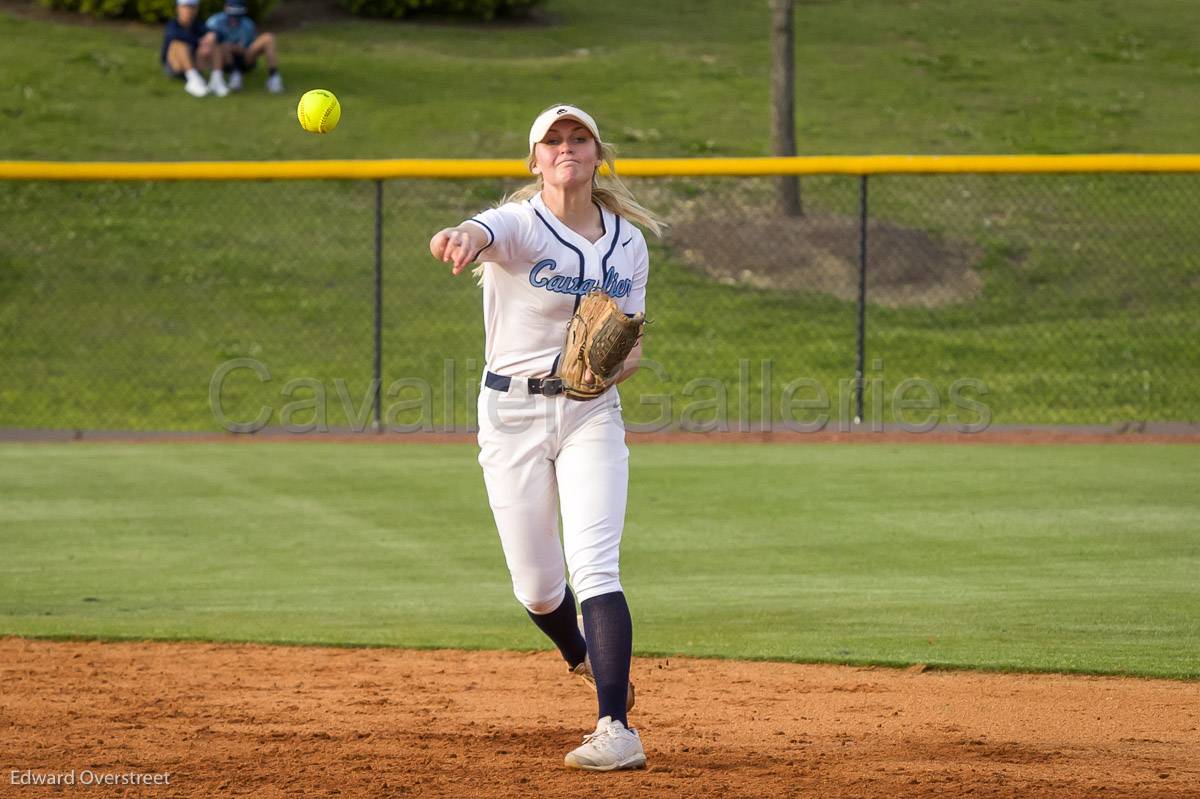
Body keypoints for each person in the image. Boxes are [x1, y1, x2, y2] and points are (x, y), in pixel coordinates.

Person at [428, 104, 664, 772]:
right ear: (535, 161)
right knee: (537, 586)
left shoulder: (628, 244)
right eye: (552, 140)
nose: (566, 147)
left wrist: (613, 361)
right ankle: (583, 656)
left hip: (592, 412)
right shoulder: (519, 225)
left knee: (596, 563)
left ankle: (616, 726)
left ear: (597, 154)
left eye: (578, 138)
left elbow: (634, 343)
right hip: (511, 414)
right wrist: (459, 238)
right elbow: (480, 229)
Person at [206, 1, 284, 94]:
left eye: (237, 17)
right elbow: (208, 43)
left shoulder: (248, 24)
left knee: (268, 37)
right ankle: (233, 74)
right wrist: (230, 46)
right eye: (232, 16)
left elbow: (251, 46)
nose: (234, 20)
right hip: (224, 59)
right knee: (222, 44)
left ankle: (274, 76)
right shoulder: (214, 22)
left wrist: (242, 49)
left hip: (245, 57)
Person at [160, 0, 228, 98]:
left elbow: (220, 35)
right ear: (178, 8)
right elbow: (174, 35)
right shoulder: (172, 25)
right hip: (174, 66)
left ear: (196, 9)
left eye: (192, 7)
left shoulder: (199, 25)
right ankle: (193, 80)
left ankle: (216, 79)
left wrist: (213, 36)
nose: (188, 10)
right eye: (185, 7)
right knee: (178, 44)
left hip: (195, 62)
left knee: (214, 43)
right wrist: (200, 41)